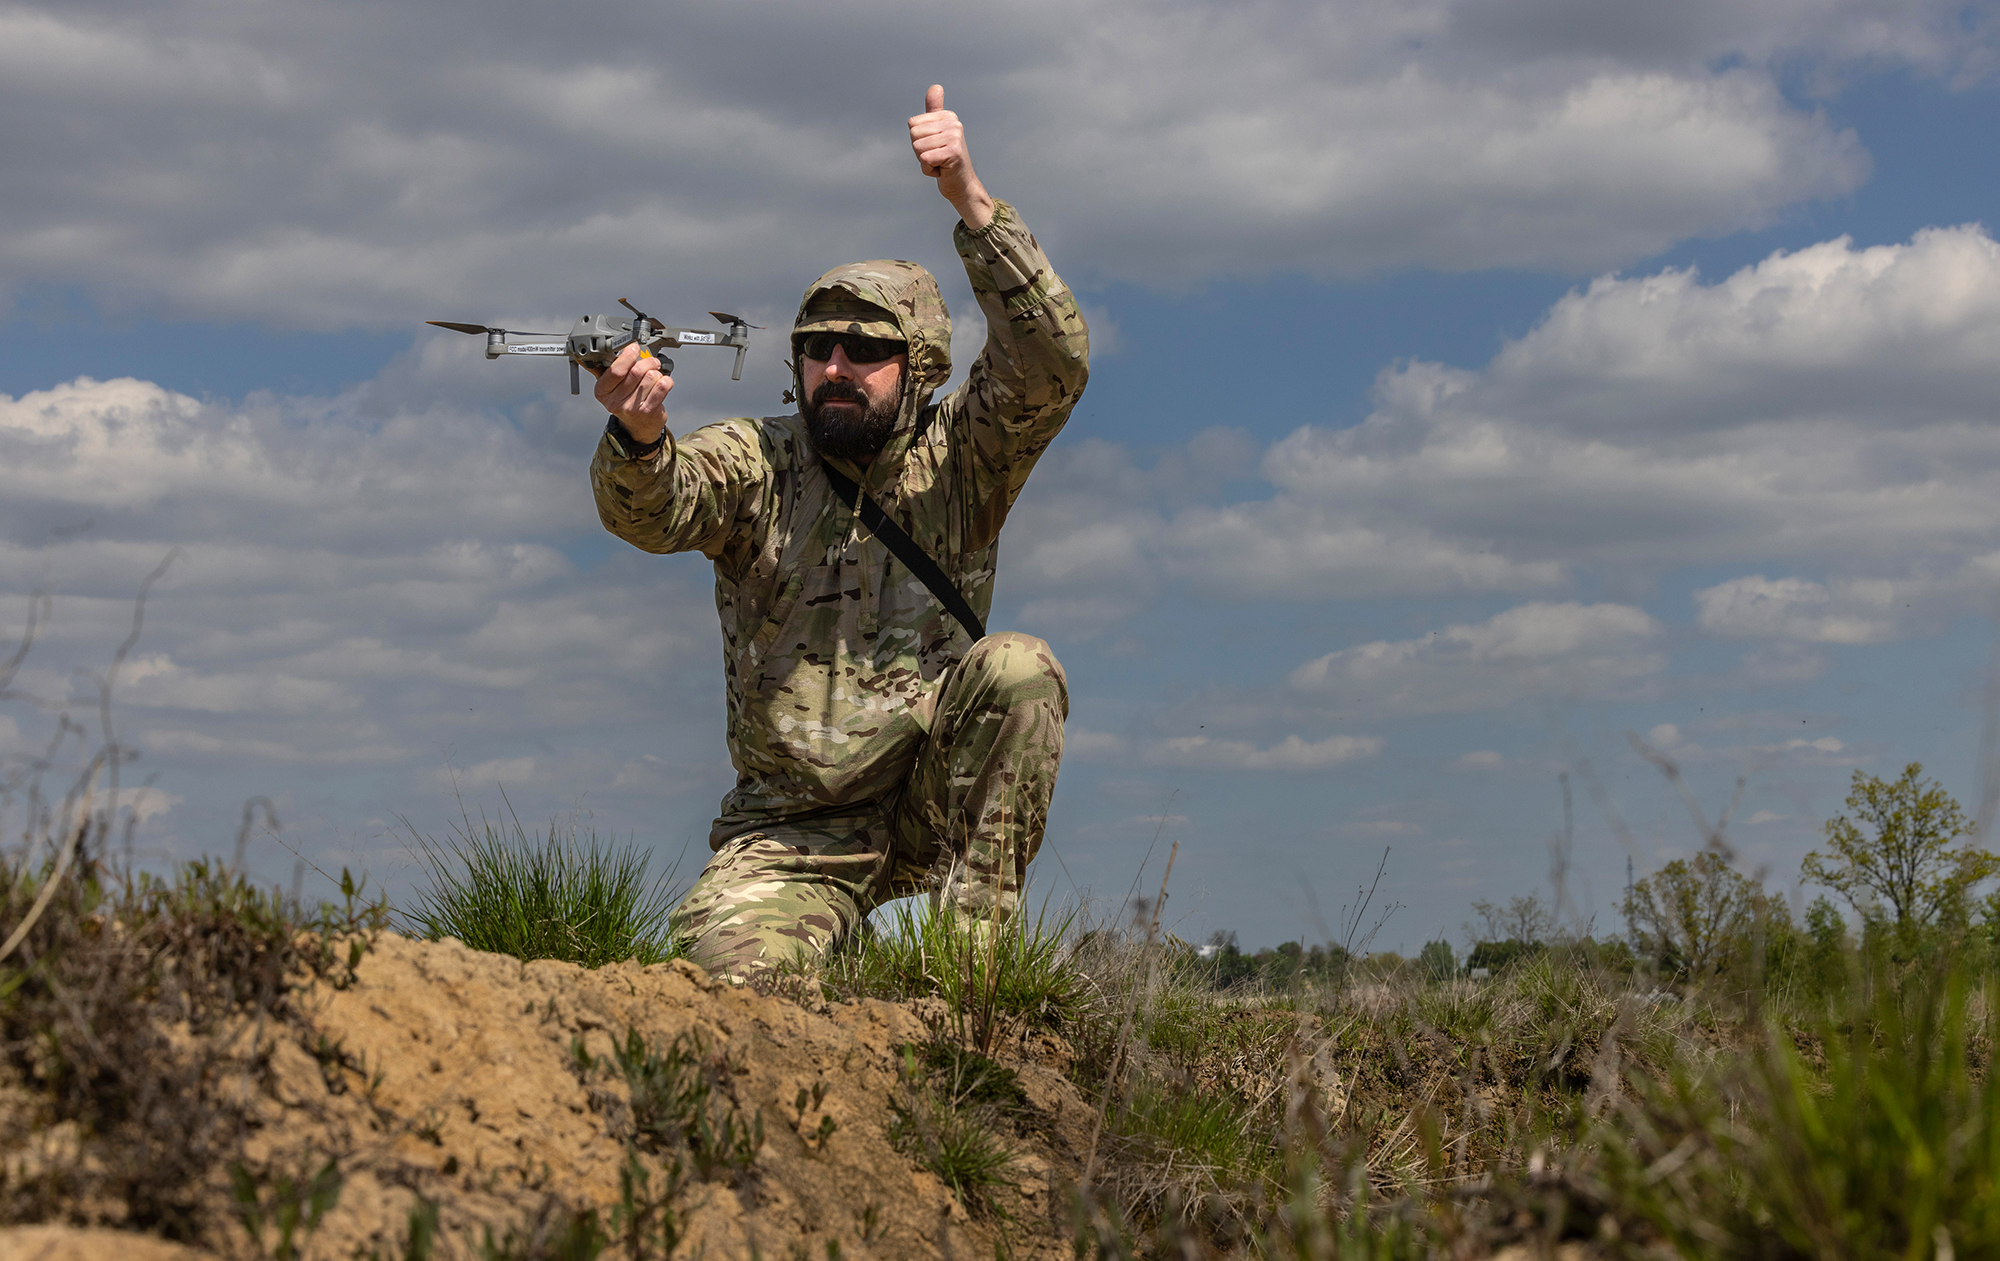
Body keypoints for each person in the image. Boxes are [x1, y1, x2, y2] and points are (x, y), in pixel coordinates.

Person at [588, 85, 1090, 981]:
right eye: (817, 347)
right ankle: (822, 942)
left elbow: (1051, 364)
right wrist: (639, 437)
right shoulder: (762, 462)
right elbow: (657, 508)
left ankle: (967, 980)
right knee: (728, 993)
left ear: (921, 365)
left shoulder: (962, 459)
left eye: (864, 349)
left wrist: (971, 201)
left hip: (927, 801)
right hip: (792, 830)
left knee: (1020, 669)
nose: (835, 367)